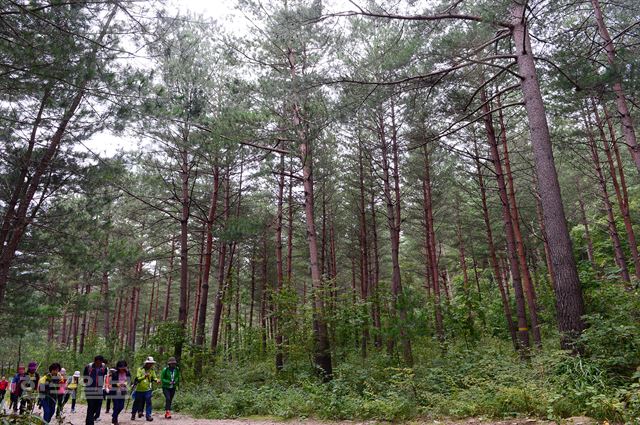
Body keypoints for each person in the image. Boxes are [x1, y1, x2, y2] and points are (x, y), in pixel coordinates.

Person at [131, 357, 160, 422]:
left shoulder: (152, 370)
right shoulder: (140, 369)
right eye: (149, 363)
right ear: (146, 363)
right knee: (136, 402)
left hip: (148, 389)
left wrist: (157, 380)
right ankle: (133, 414)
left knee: (148, 402)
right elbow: (138, 378)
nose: (150, 365)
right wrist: (144, 376)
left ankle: (148, 416)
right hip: (139, 389)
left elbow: (154, 377)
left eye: (152, 363)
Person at [83, 355, 108, 425]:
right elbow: (85, 379)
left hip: (99, 390)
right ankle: (90, 423)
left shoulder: (104, 368)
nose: (99, 364)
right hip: (90, 390)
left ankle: (91, 419)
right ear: (94, 361)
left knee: (97, 407)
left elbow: (106, 377)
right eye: (97, 362)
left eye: (100, 362)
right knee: (91, 406)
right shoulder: (88, 367)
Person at [109, 360, 131, 425]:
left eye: (123, 368)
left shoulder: (127, 373)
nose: (122, 369)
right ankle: (115, 420)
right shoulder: (115, 373)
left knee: (121, 407)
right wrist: (118, 384)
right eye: (120, 368)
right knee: (116, 406)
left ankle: (114, 415)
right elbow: (112, 382)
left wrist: (126, 383)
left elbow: (129, 380)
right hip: (115, 392)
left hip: (123, 392)